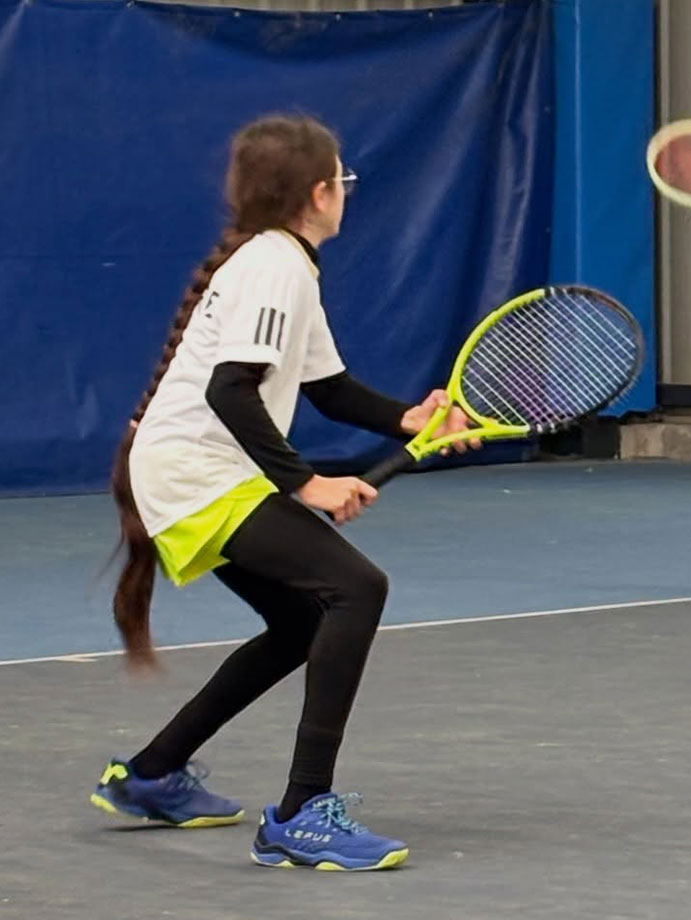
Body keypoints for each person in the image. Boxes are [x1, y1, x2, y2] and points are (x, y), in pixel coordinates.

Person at [95, 114, 475, 870]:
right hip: (198, 472)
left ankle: (151, 774)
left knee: (303, 619)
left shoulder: (285, 263)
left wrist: (408, 416)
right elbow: (230, 391)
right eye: (344, 181)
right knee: (356, 589)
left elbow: (326, 388)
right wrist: (306, 485)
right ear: (319, 192)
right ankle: (303, 814)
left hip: (193, 469)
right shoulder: (273, 266)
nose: (347, 194)